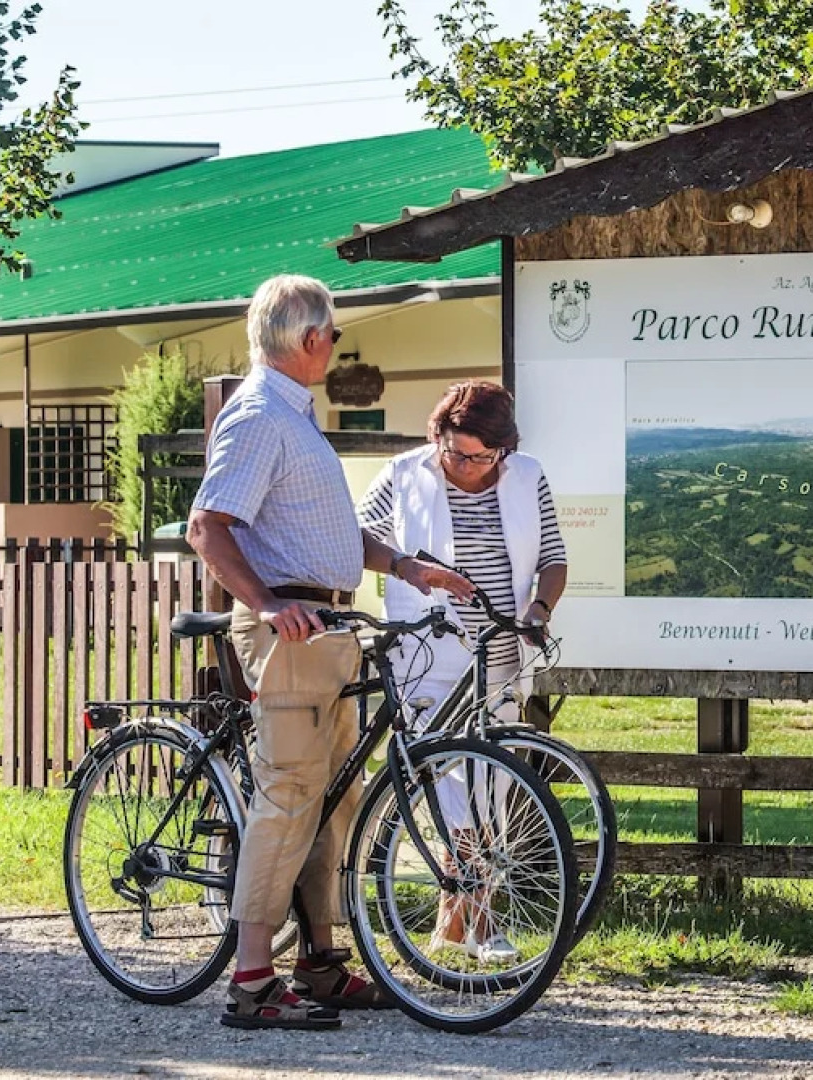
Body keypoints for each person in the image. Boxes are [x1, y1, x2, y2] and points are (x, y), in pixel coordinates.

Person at [187, 274, 473, 1031]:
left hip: (327, 625)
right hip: (292, 628)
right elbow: (207, 527)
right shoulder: (257, 416)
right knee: (287, 797)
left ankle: (319, 962)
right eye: (336, 334)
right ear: (312, 340)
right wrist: (267, 603)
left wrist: (405, 566)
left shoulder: (293, 416)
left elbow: (327, 533)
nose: (336, 345)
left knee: (334, 795)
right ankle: (251, 980)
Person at [356, 379, 567, 957]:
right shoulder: (404, 474)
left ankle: (455, 922)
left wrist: (538, 608)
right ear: (438, 438)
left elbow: (552, 557)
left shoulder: (527, 476)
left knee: (491, 785)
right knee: (453, 783)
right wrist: (405, 569)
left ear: (504, 448)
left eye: (479, 456)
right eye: (454, 452)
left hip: (500, 652)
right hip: (431, 652)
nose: (466, 466)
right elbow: (359, 538)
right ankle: (482, 923)